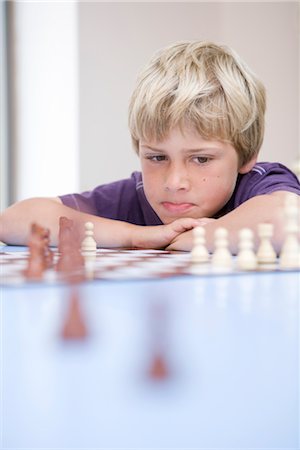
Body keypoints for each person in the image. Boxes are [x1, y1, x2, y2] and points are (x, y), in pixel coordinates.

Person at [1, 41, 299, 253]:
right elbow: (14, 221)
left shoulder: (261, 181)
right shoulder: (138, 194)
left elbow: (287, 221)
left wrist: (187, 239)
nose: (174, 182)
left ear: (247, 155)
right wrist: (139, 236)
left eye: (201, 159)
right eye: (157, 157)